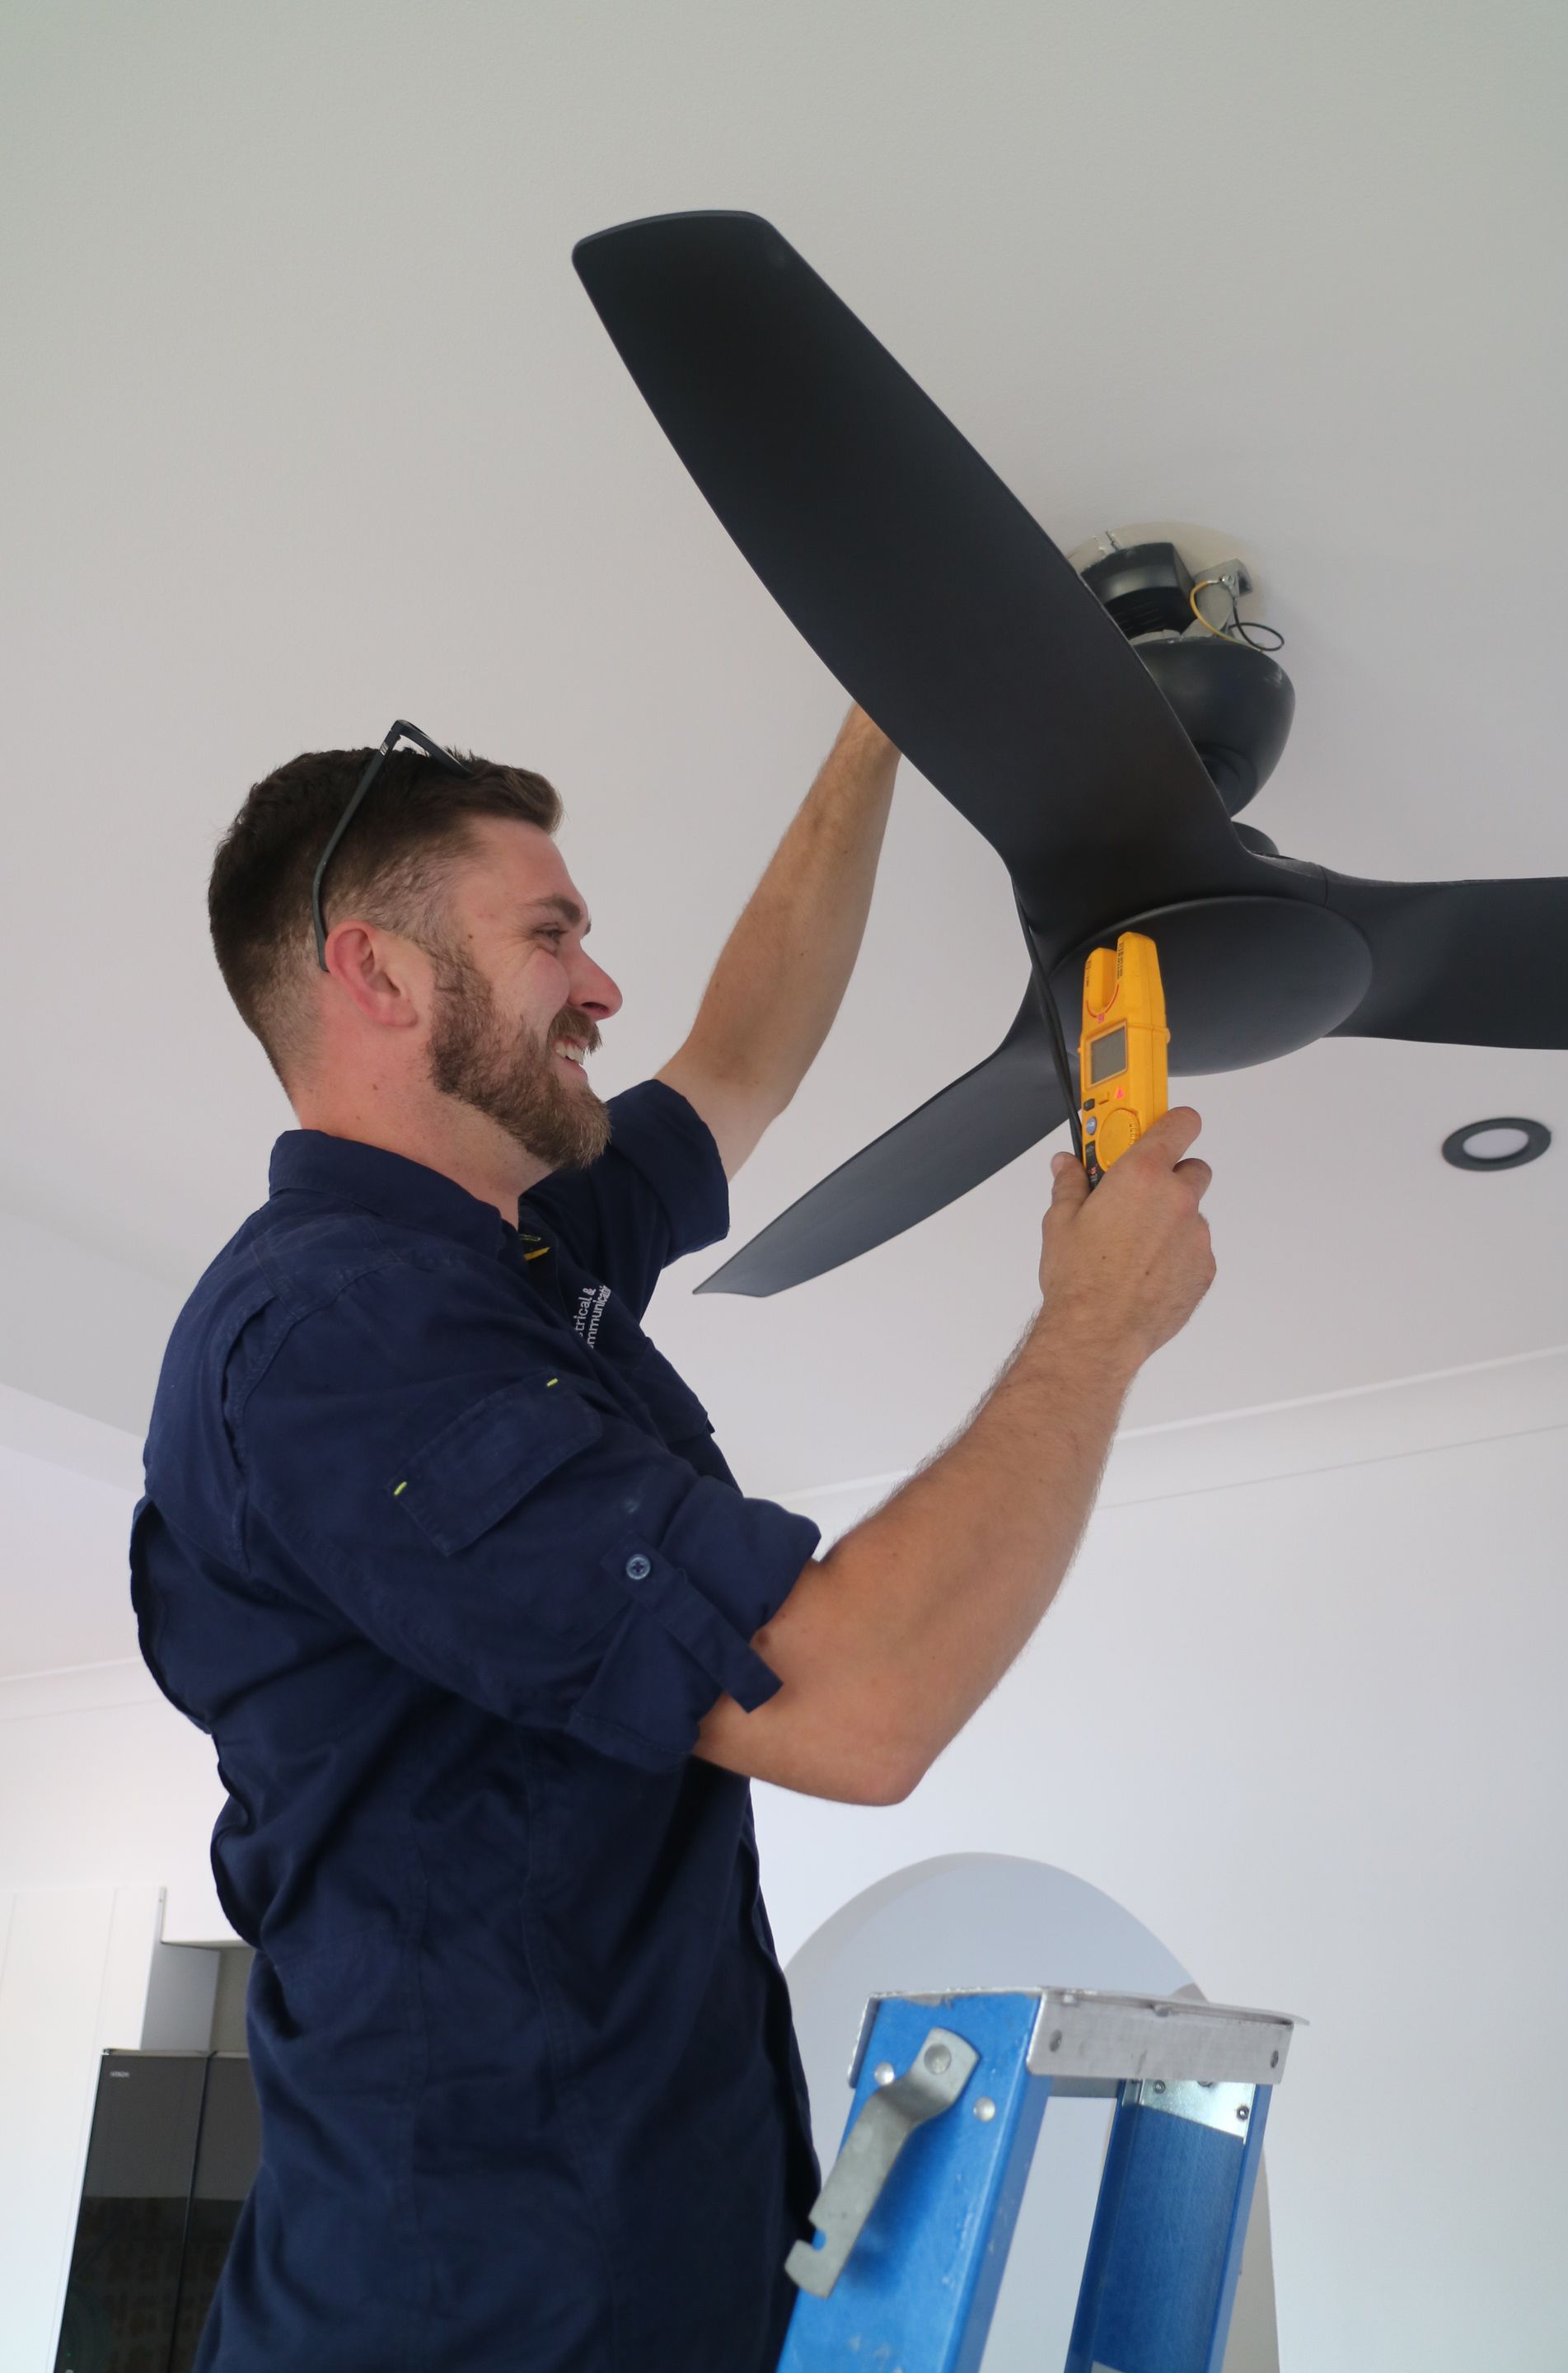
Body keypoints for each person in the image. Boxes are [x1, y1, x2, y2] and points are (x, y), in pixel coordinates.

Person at [133, 705, 1214, 2373]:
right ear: (379, 977)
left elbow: (739, 1063)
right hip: (479, 2321)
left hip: (636, 2263)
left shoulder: (512, 1252)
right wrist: (1096, 1329)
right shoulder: (342, 1343)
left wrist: (886, 726)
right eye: (550, 935)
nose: (600, 985)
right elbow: (858, 1707)